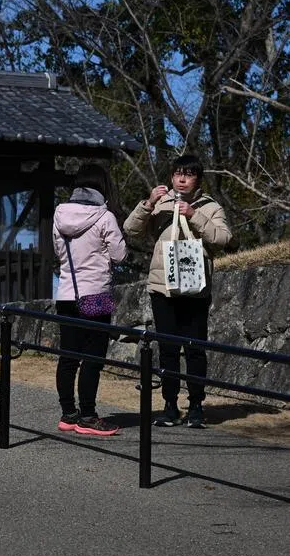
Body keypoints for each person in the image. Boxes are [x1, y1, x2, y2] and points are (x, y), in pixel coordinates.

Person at [124, 153, 232, 429]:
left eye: (189, 174)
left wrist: (194, 216)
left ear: (198, 179)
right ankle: (169, 406)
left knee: (195, 350)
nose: (182, 179)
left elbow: (223, 239)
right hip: (163, 288)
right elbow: (130, 230)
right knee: (168, 349)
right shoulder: (160, 203)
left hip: (195, 290)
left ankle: (196, 406)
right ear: (171, 177)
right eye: (177, 174)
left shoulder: (210, 207)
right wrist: (147, 204)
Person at [52, 164, 127, 437]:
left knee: (68, 356)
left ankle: (68, 413)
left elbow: (58, 251)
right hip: (96, 294)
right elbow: (120, 255)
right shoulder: (105, 216)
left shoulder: (60, 213)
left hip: (66, 294)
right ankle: (88, 416)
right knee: (93, 357)